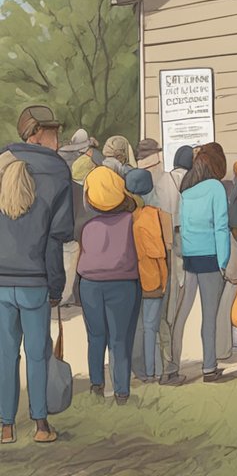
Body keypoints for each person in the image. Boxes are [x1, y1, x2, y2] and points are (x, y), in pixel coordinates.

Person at [0, 105, 74, 444]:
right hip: (35, 278)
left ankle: (5, 426)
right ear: (36, 134)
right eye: (53, 131)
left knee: (5, 353)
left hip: (1, 280)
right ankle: (41, 425)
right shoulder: (58, 171)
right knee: (38, 352)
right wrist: (56, 285)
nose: (58, 138)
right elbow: (56, 238)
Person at [164, 143, 230, 385]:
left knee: (181, 314)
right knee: (209, 315)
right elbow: (221, 226)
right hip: (212, 257)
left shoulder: (187, 189)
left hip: (191, 257)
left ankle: (172, 365)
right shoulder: (216, 188)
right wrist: (223, 260)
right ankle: (209, 366)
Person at [78, 166, 142, 403]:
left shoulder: (87, 227)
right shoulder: (131, 221)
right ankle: (122, 392)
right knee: (120, 339)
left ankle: (96, 385)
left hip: (90, 285)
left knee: (95, 337)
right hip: (123, 284)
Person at [126, 169, 169, 383]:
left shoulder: (126, 216)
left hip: (130, 280)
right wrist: (164, 279)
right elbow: (158, 252)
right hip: (151, 279)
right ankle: (152, 371)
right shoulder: (151, 216)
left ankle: (141, 370)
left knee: (138, 326)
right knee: (151, 327)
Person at [157, 145, 194, 383]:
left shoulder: (164, 180)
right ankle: (171, 367)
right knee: (176, 311)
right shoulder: (192, 181)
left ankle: (166, 363)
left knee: (165, 312)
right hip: (183, 248)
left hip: (163, 246)